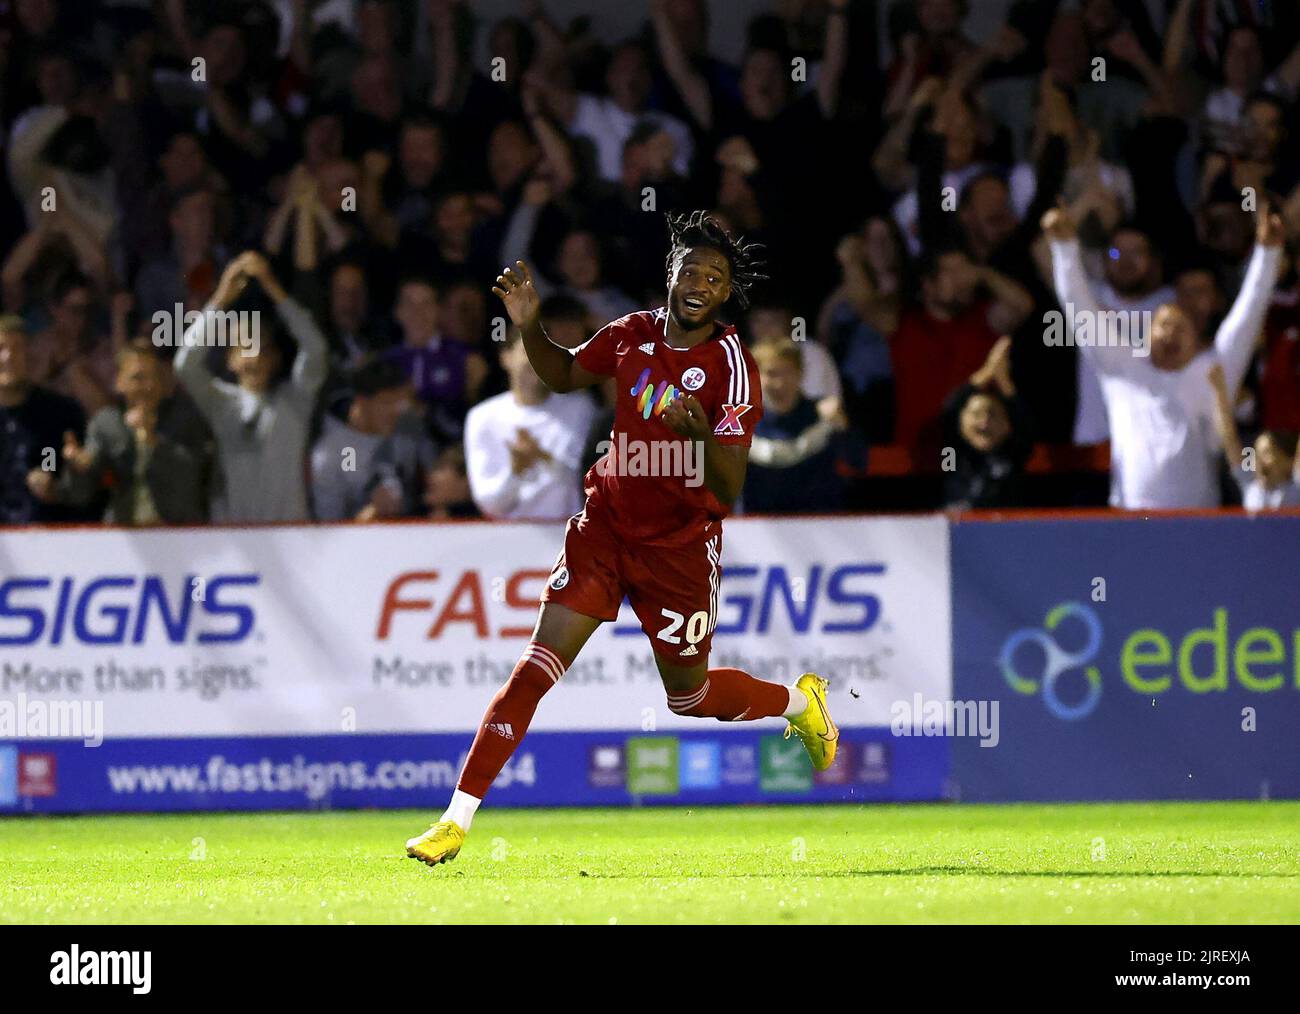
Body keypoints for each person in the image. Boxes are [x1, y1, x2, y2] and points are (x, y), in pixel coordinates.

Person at [405, 212, 839, 866]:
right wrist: (529, 324)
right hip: (604, 527)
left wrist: (697, 435)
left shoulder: (732, 365)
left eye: (714, 277)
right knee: (532, 670)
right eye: (689, 268)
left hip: (680, 546)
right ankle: (454, 820)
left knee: (688, 698)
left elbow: (725, 489)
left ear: (725, 295)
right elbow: (563, 374)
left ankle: (798, 703)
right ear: (670, 273)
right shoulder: (632, 334)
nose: (698, 281)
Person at [1042, 203, 1283, 509]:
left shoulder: (1210, 371)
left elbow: (1249, 315)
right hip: (1131, 520)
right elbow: (1079, 309)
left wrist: (1268, 253)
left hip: (1198, 523)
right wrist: (1063, 248)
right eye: (1164, 325)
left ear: (1197, 342)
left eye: (1181, 328)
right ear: (1146, 335)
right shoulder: (1122, 370)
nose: (1171, 333)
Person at [175, 252, 329, 522]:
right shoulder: (221, 403)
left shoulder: (296, 400)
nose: (255, 356)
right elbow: (184, 364)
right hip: (239, 543)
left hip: (292, 538)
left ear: (275, 359)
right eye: (245, 347)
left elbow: (316, 349)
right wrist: (220, 300)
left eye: (262, 348)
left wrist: (273, 287)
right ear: (230, 359)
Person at [59, 339, 210, 525]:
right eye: (138, 378)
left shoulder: (186, 420)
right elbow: (80, 495)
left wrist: (154, 442)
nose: (147, 386)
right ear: (119, 382)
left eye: (154, 377)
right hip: (125, 537)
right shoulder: (107, 423)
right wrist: (78, 468)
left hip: (178, 534)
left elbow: (193, 479)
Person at [463, 330, 595, 522]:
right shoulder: (482, 417)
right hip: (508, 537)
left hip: (568, 532)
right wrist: (515, 472)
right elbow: (487, 500)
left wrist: (543, 457)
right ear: (506, 357)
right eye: (527, 351)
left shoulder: (580, 409)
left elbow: (586, 481)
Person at [310, 356, 432, 522]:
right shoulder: (335, 453)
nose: (396, 411)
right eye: (387, 402)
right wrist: (368, 517)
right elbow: (329, 527)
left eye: (399, 401)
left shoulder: (408, 431)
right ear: (361, 402)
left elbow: (433, 478)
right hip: (360, 542)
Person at [0, 315, 86, 523]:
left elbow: (51, 457)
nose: (8, 356)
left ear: (30, 355)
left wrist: (50, 476)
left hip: (46, 534)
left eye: (17, 348)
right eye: (1, 347)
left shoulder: (58, 412)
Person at [940, 336, 1033, 510]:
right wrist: (988, 370)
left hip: (1004, 530)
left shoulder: (1014, 454)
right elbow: (952, 409)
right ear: (961, 422)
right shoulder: (951, 455)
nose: (984, 423)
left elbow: (1023, 421)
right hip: (957, 529)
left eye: (992, 415)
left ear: (1007, 425)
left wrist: (1004, 381)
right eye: (976, 414)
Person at [1208, 362, 1300, 511]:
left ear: (1288, 461)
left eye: (1268, 452)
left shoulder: (1296, 489)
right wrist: (1219, 391)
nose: (1258, 459)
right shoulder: (1250, 482)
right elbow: (1230, 439)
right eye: (1257, 452)